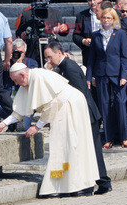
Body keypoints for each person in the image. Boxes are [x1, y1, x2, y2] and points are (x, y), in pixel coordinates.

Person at [0, 63, 99, 197]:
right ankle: (72, 185)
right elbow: (20, 110)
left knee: (71, 145)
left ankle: (79, 185)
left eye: (15, 80)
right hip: (64, 107)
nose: (16, 84)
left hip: (68, 106)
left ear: (22, 75)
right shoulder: (28, 80)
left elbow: (51, 104)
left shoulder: (38, 77)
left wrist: (37, 126)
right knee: (67, 146)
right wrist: (3, 124)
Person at [44, 41, 112, 195]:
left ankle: (96, 183)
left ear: (59, 53)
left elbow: (79, 95)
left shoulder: (69, 68)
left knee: (90, 150)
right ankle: (100, 182)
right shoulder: (63, 66)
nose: (48, 61)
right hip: (83, 114)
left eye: (49, 57)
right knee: (89, 150)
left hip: (85, 114)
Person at [87, 8, 127, 149]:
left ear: (114, 20)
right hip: (101, 74)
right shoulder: (96, 35)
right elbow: (91, 58)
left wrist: (124, 76)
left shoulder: (121, 34)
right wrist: (90, 77)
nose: (106, 20)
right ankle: (108, 137)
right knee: (104, 106)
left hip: (117, 74)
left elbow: (124, 57)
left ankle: (124, 137)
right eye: (104, 17)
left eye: (109, 18)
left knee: (120, 103)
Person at [16, 0, 69, 65]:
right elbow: (18, 31)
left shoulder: (55, 13)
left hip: (51, 46)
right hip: (33, 48)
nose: (41, 0)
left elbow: (63, 32)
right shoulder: (27, 14)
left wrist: (64, 29)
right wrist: (22, 34)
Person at [0, 38, 38, 126]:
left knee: (25, 128)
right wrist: (6, 62)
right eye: (14, 51)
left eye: (20, 52)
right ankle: (14, 123)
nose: (17, 54)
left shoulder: (31, 63)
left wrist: (19, 65)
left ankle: (16, 123)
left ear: (24, 52)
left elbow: (31, 79)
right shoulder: (7, 63)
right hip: (10, 98)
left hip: (25, 99)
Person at [73, 0, 103, 67]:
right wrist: (84, 41)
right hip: (89, 55)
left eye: (94, 0)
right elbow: (75, 36)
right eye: (90, 0)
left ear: (100, 0)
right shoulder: (81, 16)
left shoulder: (109, 14)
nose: (92, 2)